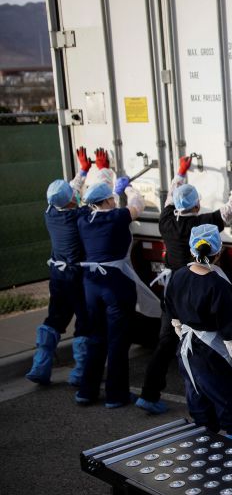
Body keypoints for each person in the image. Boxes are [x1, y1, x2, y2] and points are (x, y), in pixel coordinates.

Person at [135, 158, 232, 415]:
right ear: (197, 205)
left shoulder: (165, 220)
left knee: (167, 340)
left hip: (174, 288)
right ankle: (223, 389)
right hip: (198, 283)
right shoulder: (202, 225)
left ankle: (149, 393)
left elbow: (169, 198)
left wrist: (180, 172)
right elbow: (231, 208)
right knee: (211, 337)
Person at [76, 164, 160, 408]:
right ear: (107, 201)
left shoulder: (83, 218)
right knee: (117, 341)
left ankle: (86, 391)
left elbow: (87, 202)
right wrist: (129, 189)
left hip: (90, 284)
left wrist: (112, 187)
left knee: (96, 337)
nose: (115, 200)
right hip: (115, 284)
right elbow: (138, 207)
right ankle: (115, 395)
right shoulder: (116, 217)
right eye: (112, 198)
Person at [165, 224, 232, 445]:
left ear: (192, 249)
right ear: (219, 251)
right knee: (230, 407)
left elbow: (173, 315)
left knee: (199, 405)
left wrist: (183, 334)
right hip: (215, 358)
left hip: (187, 352)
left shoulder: (178, 276)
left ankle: (205, 455)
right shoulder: (219, 285)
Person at [25, 147, 99, 385]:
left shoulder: (51, 213)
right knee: (84, 321)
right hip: (77, 277)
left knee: (55, 318)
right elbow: (97, 204)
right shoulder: (79, 217)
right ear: (70, 200)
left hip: (57, 276)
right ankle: (79, 373)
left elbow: (67, 193)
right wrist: (104, 173)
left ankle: (40, 366)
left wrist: (83, 171)